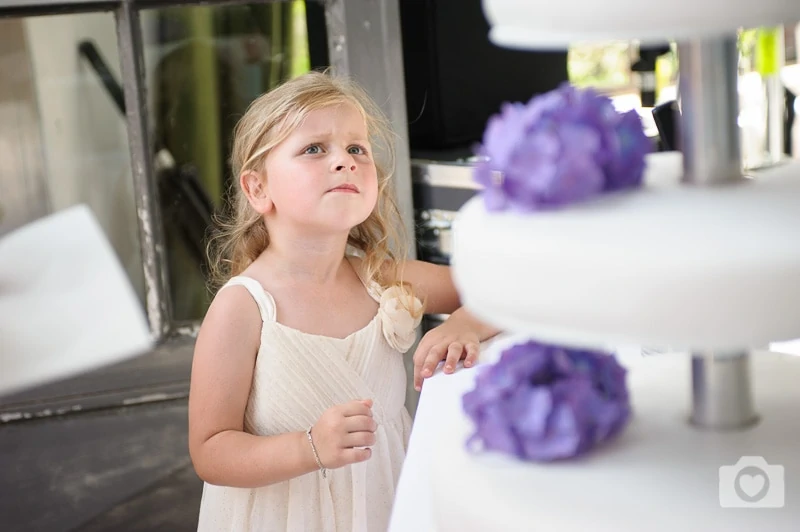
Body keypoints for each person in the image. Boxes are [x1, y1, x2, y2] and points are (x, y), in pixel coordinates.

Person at [188, 71, 499, 532]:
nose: (345, 161)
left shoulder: (383, 280)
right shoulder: (245, 307)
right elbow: (211, 450)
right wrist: (308, 447)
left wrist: (466, 324)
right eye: (314, 149)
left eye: (357, 148)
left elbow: (507, 289)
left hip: (384, 506)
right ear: (258, 189)